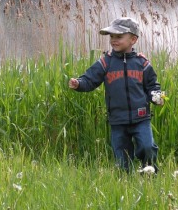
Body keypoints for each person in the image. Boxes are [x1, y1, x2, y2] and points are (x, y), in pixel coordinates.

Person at [68, 17, 164, 173]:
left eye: (119, 36)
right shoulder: (106, 63)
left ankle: (149, 172)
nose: (114, 40)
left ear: (133, 39)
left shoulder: (143, 64)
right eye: (111, 36)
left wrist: (156, 97)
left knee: (147, 147)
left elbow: (153, 86)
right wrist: (79, 84)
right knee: (122, 156)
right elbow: (90, 79)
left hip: (141, 117)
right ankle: (125, 181)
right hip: (117, 119)